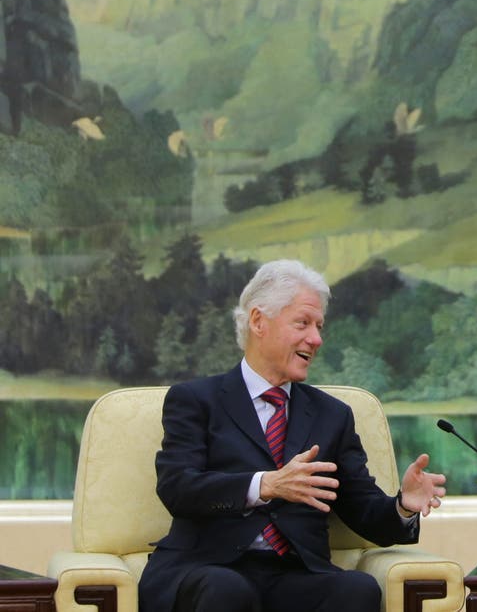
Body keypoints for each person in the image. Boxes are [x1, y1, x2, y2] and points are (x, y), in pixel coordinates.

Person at [139, 259, 447, 612]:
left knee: (357, 590)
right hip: (208, 567)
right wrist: (264, 485)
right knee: (226, 590)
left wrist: (403, 505)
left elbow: (362, 508)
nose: (316, 339)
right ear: (258, 322)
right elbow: (177, 487)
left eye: (319, 326)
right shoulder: (195, 400)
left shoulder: (333, 416)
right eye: (302, 323)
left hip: (293, 574)